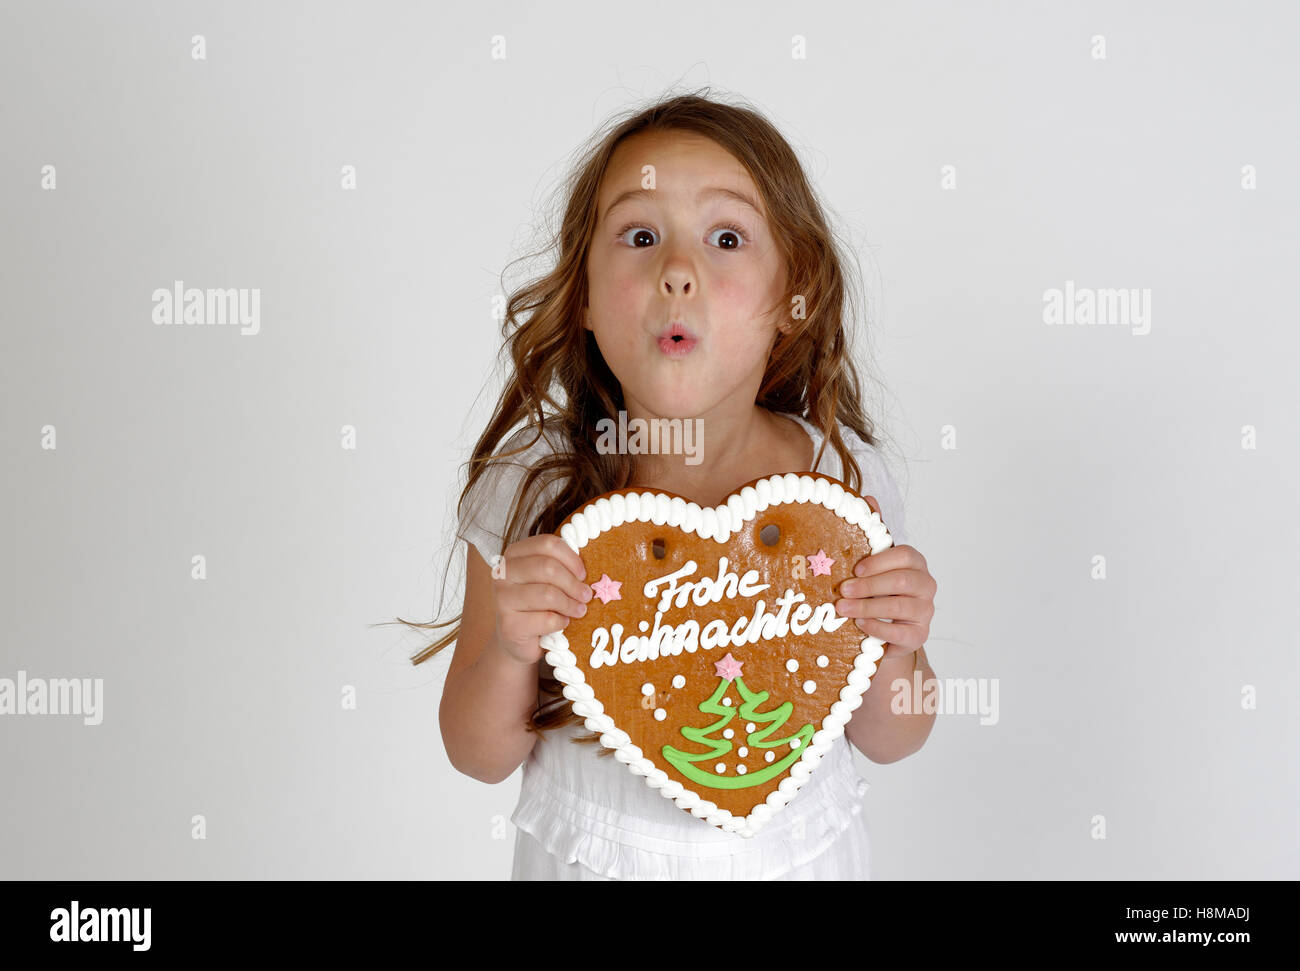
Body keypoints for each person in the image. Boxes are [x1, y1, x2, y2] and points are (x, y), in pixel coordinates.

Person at [412, 90, 938, 880]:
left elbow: (895, 737)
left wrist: (899, 649)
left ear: (793, 299)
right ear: (583, 296)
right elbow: (475, 753)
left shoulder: (837, 479)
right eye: (640, 235)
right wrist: (512, 648)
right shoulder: (531, 483)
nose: (679, 272)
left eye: (727, 237)